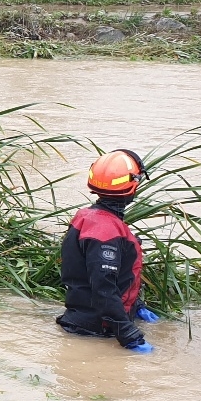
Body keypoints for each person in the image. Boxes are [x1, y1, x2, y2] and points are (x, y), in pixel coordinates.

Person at [56, 150, 159, 353]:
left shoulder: (87, 217)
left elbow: (106, 276)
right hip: (95, 332)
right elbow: (104, 289)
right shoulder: (106, 232)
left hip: (82, 322)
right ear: (133, 184)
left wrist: (136, 306)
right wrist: (130, 336)